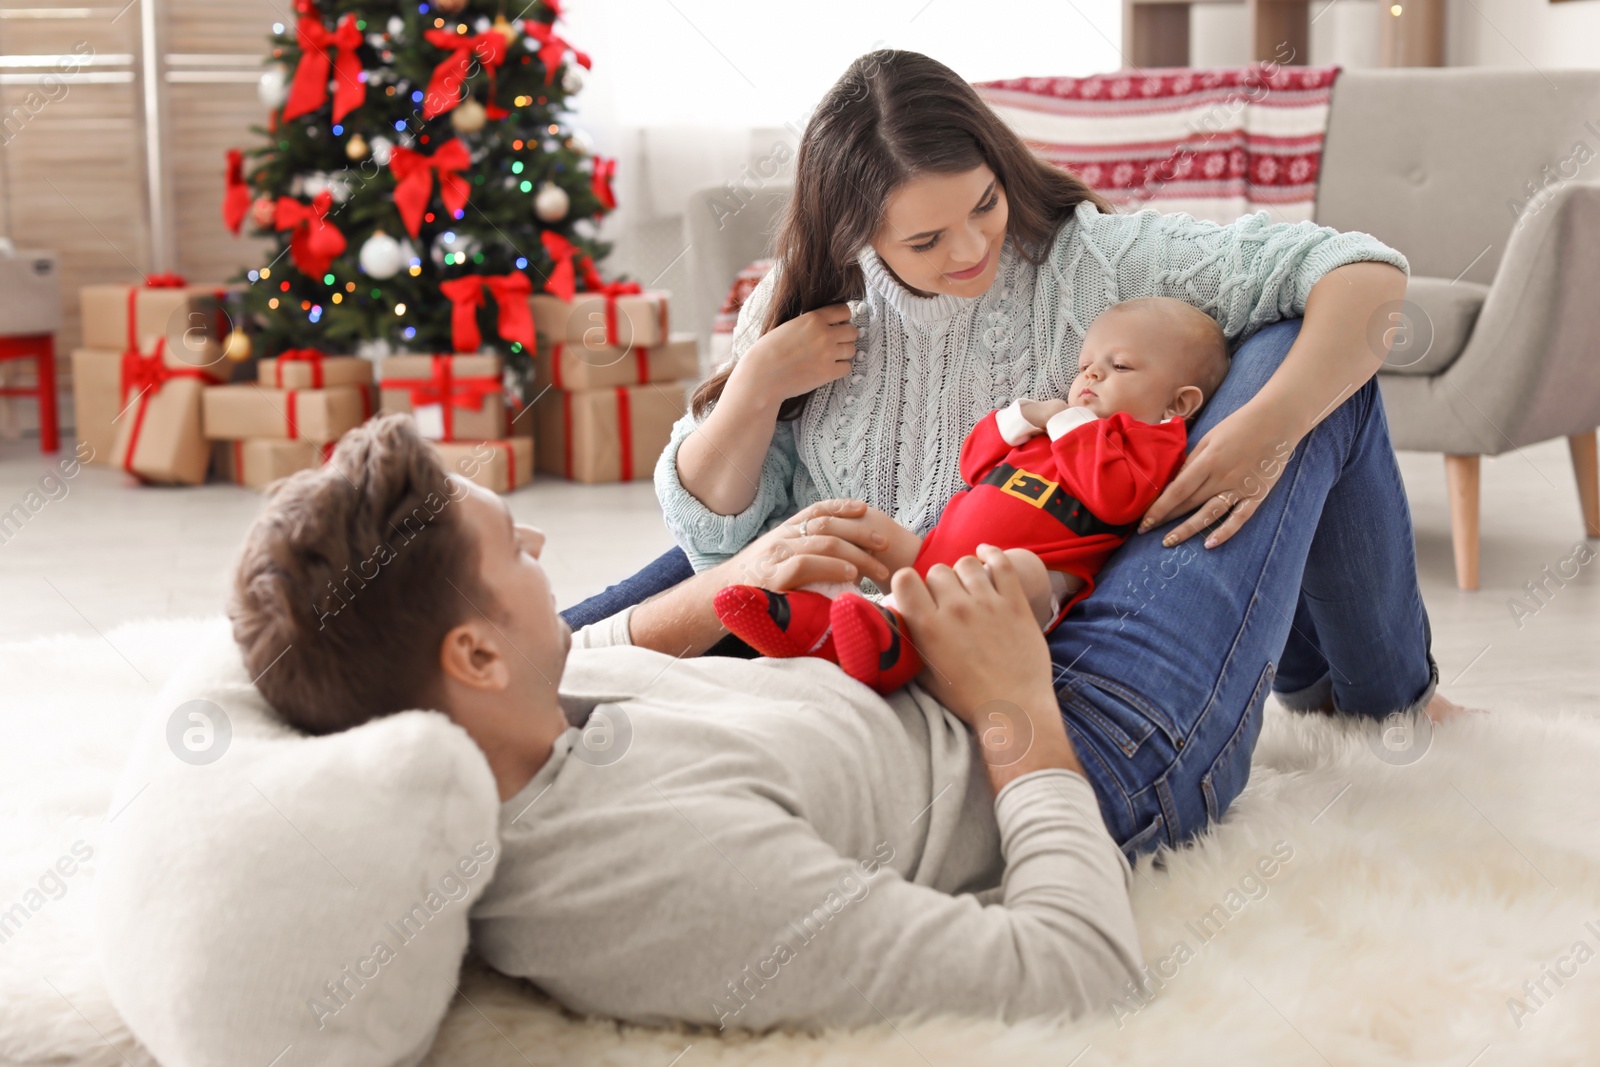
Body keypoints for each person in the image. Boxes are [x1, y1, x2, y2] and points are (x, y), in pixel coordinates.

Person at [569, 48, 1462, 858]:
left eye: (984, 204)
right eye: (925, 240)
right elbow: (724, 555)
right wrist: (758, 379)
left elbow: (1362, 274)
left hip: (1057, 602)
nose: (970, 248)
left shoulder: (1096, 262)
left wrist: (1256, 436)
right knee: (689, 582)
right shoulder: (809, 311)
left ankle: (1376, 685)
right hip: (905, 630)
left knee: (1298, 350)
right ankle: (1371, 686)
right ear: (856, 233)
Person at [228, 414, 1145, 1030]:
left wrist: (734, 579)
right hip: (1075, 752)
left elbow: (587, 644)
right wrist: (1015, 704)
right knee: (1249, 381)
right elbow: (1079, 970)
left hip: (928, 656)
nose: (543, 547)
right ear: (475, 659)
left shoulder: (513, 717)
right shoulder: (657, 877)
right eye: (513, 546)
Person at [713, 295, 1227, 693]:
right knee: (855, 523)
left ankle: (890, 640)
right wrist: (1026, 416)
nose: (1090, 375)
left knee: (1013, 570)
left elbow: (1116, 498)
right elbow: (974, 461)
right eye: (1085, 365)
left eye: (1120, 367)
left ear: (1177, 404)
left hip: (1016, 587)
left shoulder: (1151, 440)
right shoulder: (1056, 429)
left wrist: (1069, 422)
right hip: (935, 556)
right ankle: (807, 617)